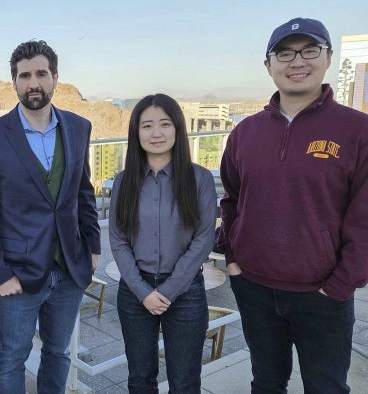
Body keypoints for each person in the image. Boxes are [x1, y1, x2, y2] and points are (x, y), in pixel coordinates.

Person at [218, 17, 368, 393]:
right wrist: (232, 259)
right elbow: (232, 199)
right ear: (268, 65)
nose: (296, 62)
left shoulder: (362, 132)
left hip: (323, 294)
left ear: (328, 57)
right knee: (266, 382)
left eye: (309, 50)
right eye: (284, 53)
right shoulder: (244, 133)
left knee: (326, 386)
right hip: (254, 287)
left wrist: (341, 285)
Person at [0, 39, 101, 393]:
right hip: (16, 274)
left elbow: (83, 192)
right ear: (14, 82)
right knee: (13, 356)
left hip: (70, 268)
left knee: (58, 353)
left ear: (55, 77)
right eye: (24, 75)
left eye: (41, 73)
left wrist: (94, 248)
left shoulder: (78, 127)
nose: (33, 83)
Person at [109, 94, 216, 393]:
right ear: (136, 132)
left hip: (186, 293)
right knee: (140, 380)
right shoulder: (123, 181)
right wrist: (144, 293)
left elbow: (203, 239)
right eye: (147, 126)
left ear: (178, 129)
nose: (156, 133)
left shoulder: (199, 179)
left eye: (165, 124)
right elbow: (118, 240)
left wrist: (166, 291)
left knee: (184, 383)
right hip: (134, 292)